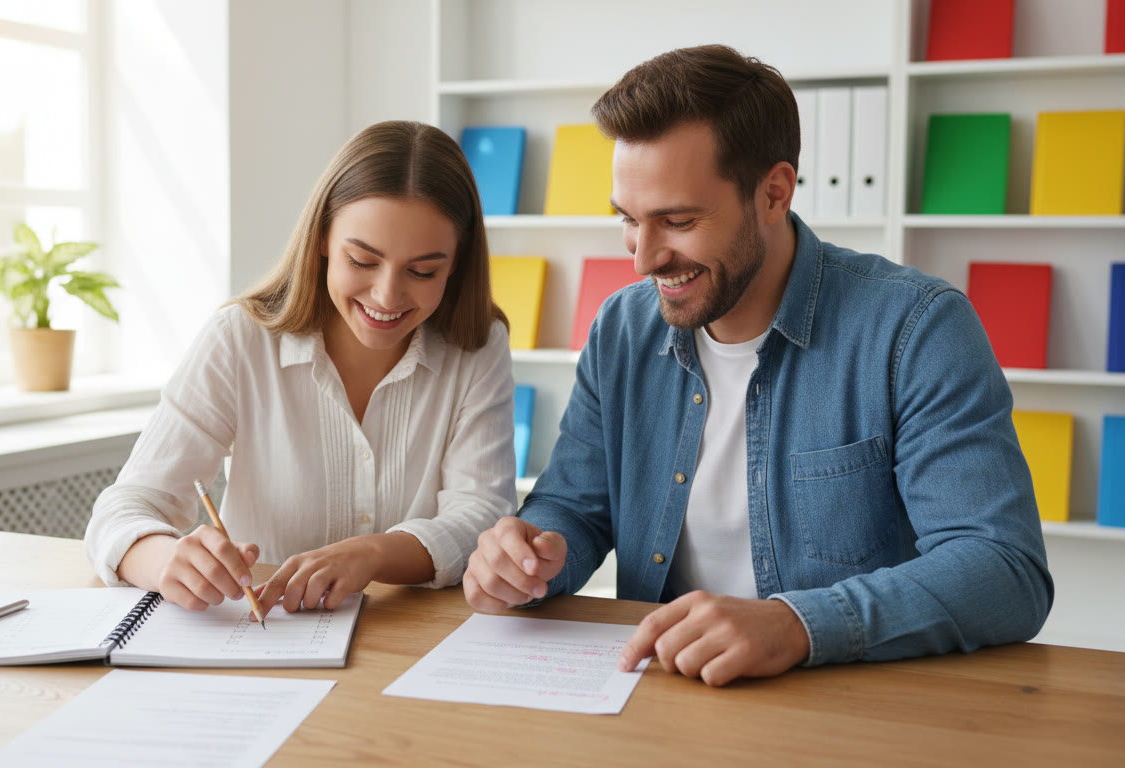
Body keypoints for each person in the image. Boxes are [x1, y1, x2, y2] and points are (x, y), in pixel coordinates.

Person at [463, 45, 1053, 686]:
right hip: (665, 693)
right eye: (628, 220)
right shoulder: (622, 329)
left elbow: (1003, 567)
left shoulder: (916, 329)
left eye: (679, 220)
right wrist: (527, 554)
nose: (643, 259)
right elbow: (576, 509)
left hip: (852, 705)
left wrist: (797, 624)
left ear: (774, 192)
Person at [86, 120, 517, 615]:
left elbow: (481, 517)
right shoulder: (240, 338)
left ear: (457, 266)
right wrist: (165, 560)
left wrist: (374, 553)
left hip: (412, 641)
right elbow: (123, 509)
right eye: (362, 260)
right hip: (261, 641)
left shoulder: (478, 347)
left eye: (423, 271)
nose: (387, 295)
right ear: (323, 240)